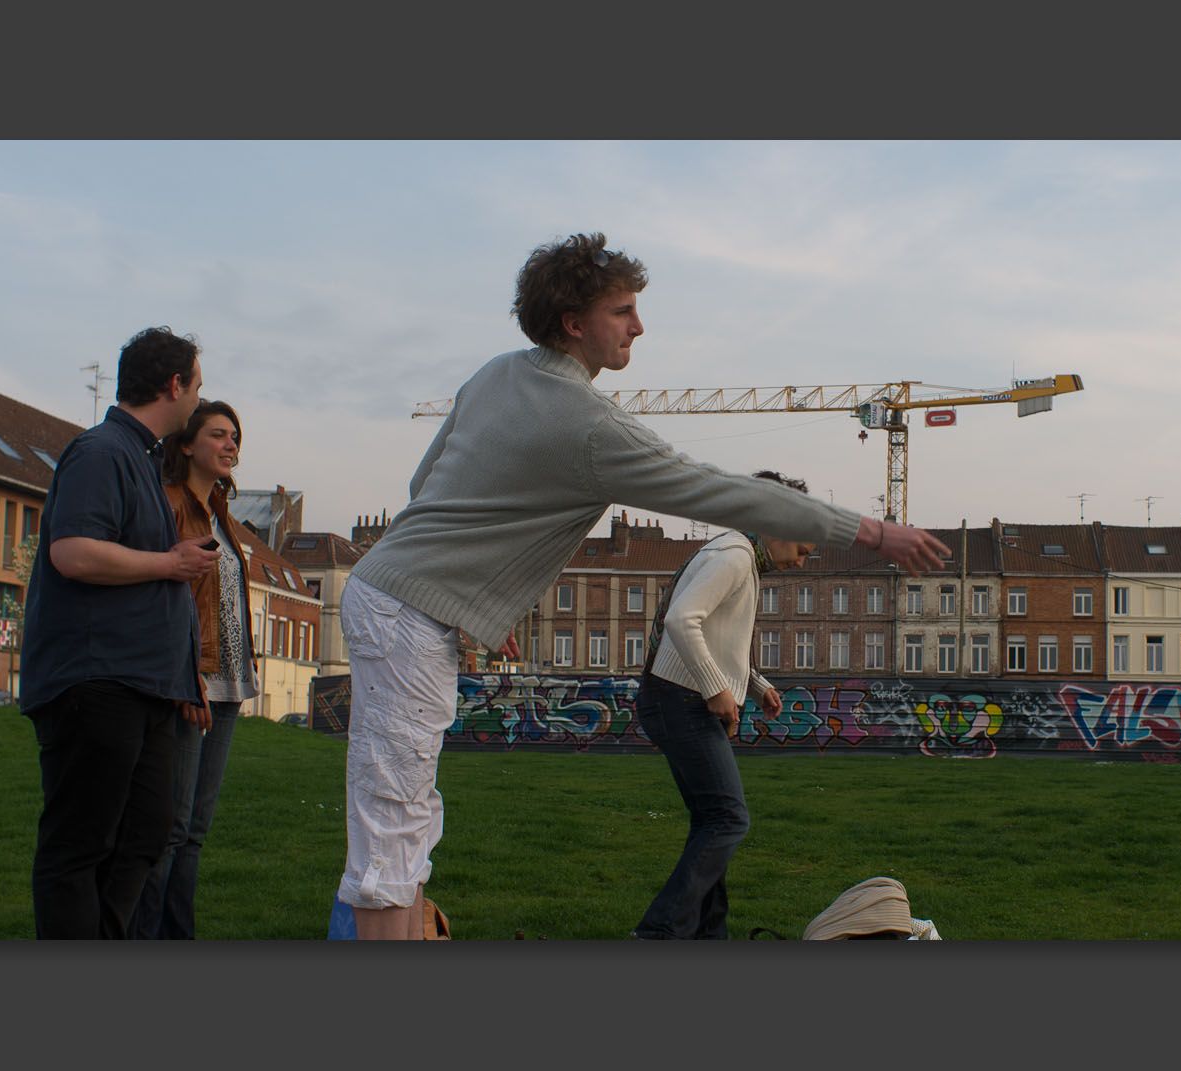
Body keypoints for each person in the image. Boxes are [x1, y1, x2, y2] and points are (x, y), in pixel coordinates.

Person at [337, 231, 950, 939]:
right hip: (408, 614)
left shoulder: (497, 372)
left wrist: (479, 595)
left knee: (407, 817)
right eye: (623, 310)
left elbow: (428, 484)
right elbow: (723, 492)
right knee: (393, 829)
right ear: (574, 323)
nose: (639, 325)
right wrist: (872, 533)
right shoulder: (592, 427)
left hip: (401, 598)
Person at [19, 326, 218, 939]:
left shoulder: (141, 460)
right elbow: (73, 553)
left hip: (147, 688)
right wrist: (170, 562)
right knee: (82, 844)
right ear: (173, 384)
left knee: (147, 835)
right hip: (97, 681)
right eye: (198, 385)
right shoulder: (102, 452)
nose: (200, 400)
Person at [633, 470, 815, 940]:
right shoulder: (733, 555)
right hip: (680, 699)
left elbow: (714, 636)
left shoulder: (739, 555)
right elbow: (682, 619)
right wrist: (717, 690)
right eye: (802, 551)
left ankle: (710, 936)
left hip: (674, 695)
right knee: (728, 817)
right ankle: (659, 932)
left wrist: (754, 686)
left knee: (711, 823)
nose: (800, 564)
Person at [130, 401, 259, 939]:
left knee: (196, 830)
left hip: (228, 686)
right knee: (170, 827)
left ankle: (178, 935)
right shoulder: (171, 506)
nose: (231, 445)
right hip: (192, 682)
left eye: (235, 437)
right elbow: (166, 600)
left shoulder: (223, 514)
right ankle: (141, 937)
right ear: (187, 445)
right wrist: (186, 678)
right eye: (218, 435)